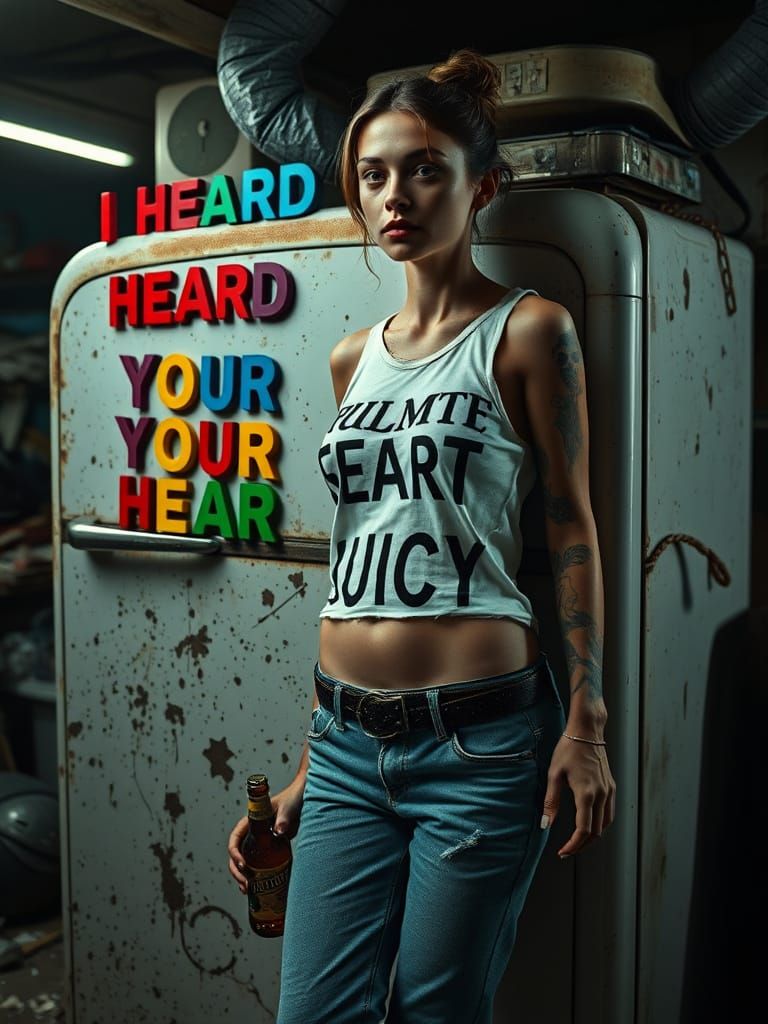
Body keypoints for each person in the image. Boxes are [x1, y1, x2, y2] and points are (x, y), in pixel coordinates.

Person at [228, 47, 616, 1024]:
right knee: (314, 1015)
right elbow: (365, 553)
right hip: (346, 736)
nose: (394, 193)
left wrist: (586, 722)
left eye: (424, 167)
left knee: (435, 1013)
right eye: (373, 174)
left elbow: (570, 521)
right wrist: (315, 770)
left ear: (481, 183)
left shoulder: (531, 331)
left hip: (481, 742)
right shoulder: (349, 358)